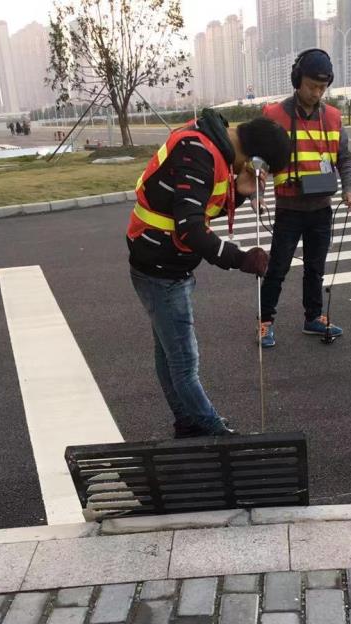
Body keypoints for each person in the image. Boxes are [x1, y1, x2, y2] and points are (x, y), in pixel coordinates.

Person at [127, 109, 291, 438]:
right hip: (161, 268)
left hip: (162, 261)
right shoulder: (199, 152)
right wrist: (240, 259)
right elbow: (190, 228)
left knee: (169, 353)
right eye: (265, 171)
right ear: (255, 160)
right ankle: (213, 430)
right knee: (184, 362)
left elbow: (200, 207)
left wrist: (242, 191)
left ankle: (187, 422)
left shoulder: (211, 144)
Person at [259, 49, 351, 348]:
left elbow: (345, 158)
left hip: (321, 209)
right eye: (312, 86)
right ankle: (265, 322)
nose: (317, 93)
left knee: (316, 267)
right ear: (297, 80)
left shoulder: (333, 118)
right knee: (278, 268)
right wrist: (257, 193)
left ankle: (313, 317)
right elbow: (259, 161)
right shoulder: (274, 115)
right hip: (289, 208)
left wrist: (350, 188)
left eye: (322, 87)